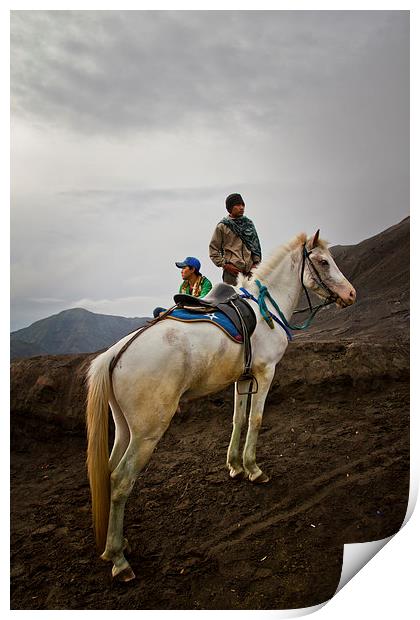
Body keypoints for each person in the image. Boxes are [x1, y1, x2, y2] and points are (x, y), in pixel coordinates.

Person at [209, 193, 262, 285]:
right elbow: (213, 250)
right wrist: (225, 265)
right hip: (232, 274)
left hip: (250, 274)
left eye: (243, 205)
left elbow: (255, 247)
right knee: (231, 298)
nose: (241, 207)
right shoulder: (223, 226)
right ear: (230, 208)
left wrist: (255, 264)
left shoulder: (249, 224)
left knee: (253, 298)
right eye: (238, 205)